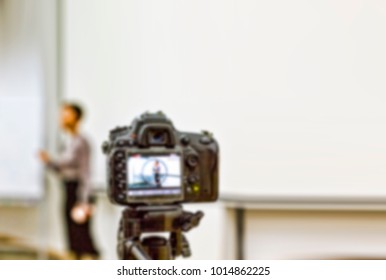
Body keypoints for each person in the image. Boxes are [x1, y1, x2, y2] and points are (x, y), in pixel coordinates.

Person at [39, 102, 99, 260]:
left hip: (79, 191)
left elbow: (86, 172)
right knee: (71, 234)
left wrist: (84, 200)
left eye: (67, 114)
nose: (62, 118)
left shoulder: (81, 142)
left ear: (76, 117)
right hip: (69, 189)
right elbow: (62, 169)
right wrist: (48, 162)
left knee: (82, 235)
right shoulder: (69, 142)